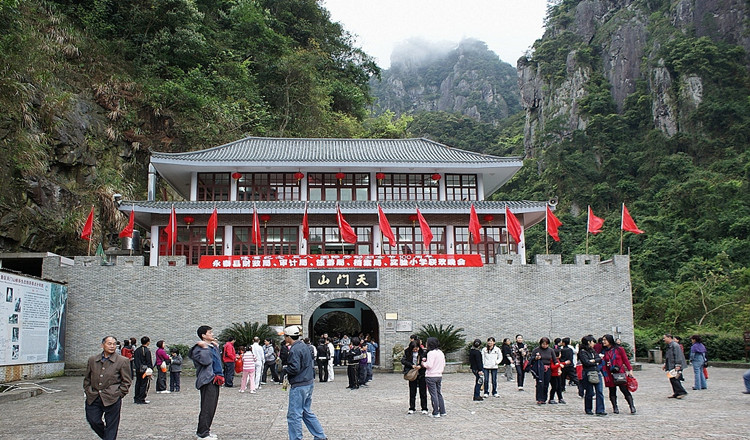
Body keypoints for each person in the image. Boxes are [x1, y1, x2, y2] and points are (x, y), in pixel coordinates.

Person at [281, 325, 327, 440]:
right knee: (306, 411)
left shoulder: (294, 349)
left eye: (285, 336)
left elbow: (295, 368)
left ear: (288, 337)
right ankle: (320, 436)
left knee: (294, 414)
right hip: (308, 382)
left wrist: (285, 369)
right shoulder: (304, 346)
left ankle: (296, 438)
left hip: (299, 384)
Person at [84, 336, 132, 440]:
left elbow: (127, 380)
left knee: (112, 426)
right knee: (93, 420)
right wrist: (88, 391)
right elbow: (87, 378)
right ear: (102, 345)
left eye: (114, 344)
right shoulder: (93, 360)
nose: (112, 346)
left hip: (112, 397)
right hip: (94, 396)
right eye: (109, 343)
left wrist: (119, 393)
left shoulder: (122, 361)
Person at [189, 325, 224, 440]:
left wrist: (215, 348)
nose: (212, 334)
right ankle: (202, 433)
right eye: (210, 332)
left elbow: (218, 362)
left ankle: (206, 430)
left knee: (212, 407)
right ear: (203, 335)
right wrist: (204, 348)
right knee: (207, 407)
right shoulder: (199, 348)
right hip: (207, 380)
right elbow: (206, 361)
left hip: (215, 380)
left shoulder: (212, 346)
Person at [601, 334, 635, 414]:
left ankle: (631, 406)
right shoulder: (604, 351)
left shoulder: (619, 349)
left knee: (624, 389)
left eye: (605, 340)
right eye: (603, 340)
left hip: (619, 372)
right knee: (612, 390)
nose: (603, 341)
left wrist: (630, 370)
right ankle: (615, 407)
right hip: (609, 373)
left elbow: (625, 360)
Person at [579, 335, 606, 416]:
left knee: (599, 391)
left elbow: (599, 359)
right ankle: (588, 409)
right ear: (588, 342)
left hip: (596, 372)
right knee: (589, 392)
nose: (593, 343)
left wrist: (593, 360)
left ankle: (600, 409)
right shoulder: (583, 352)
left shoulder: (592, 351)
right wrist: (594, 361)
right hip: (588, 373)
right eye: (592, 342)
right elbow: (586, 362)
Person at [402, 340, 429, 413]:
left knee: (423, 391)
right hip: (412, 373)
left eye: (416, 348)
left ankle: (424, 408)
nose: (415, 350)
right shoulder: (407, 352)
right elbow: (403, 361)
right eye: (413, 349)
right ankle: (412, 407)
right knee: (412, 391)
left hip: (421, 373)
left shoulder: (423, 352)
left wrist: (421, 366)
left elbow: (427, 361)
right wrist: (411, 365)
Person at [422, 337, 446, 418]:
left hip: (431, 375)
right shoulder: (440, 352)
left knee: (433, 394)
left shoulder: (431, 353)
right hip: (439, 374)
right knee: (439, 393)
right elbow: (443, 364)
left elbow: (429, 365)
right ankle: (442, 410)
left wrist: (423, 363)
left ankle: (435, 412)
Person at [529, 337, 556, 405]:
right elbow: (531, 359)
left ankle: (544, 398)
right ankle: (539, 398)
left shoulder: (551, 350)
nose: (545, 345)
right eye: (543, 344)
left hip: (548, 368)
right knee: (540, 383)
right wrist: (536, 358)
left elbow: (554, 360)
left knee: (546, 384)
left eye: (546, 344)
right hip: (539, 368)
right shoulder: (536, 350)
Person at [663, 333, 688, 399]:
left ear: (669, 337)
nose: (664, 339)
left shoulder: (675, 345)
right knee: (672, 378)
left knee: (675, 379)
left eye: (665, 338)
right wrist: (666, 364)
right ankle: (676, 392)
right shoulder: (669, 345)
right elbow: (668, 356)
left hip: (675, 365)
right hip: (671, 365)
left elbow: (678, 355)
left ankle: (682, 392)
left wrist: (678, 365)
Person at [132, 336, 152, 404]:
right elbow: (149, 361)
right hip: (145, 370)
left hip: (138, 369)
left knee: (138, 383)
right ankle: (141, 398)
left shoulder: (137, 350)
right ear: (148, 342)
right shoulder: (147, 351)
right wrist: (150, 368)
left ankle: (136, 398)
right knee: (144, 384)